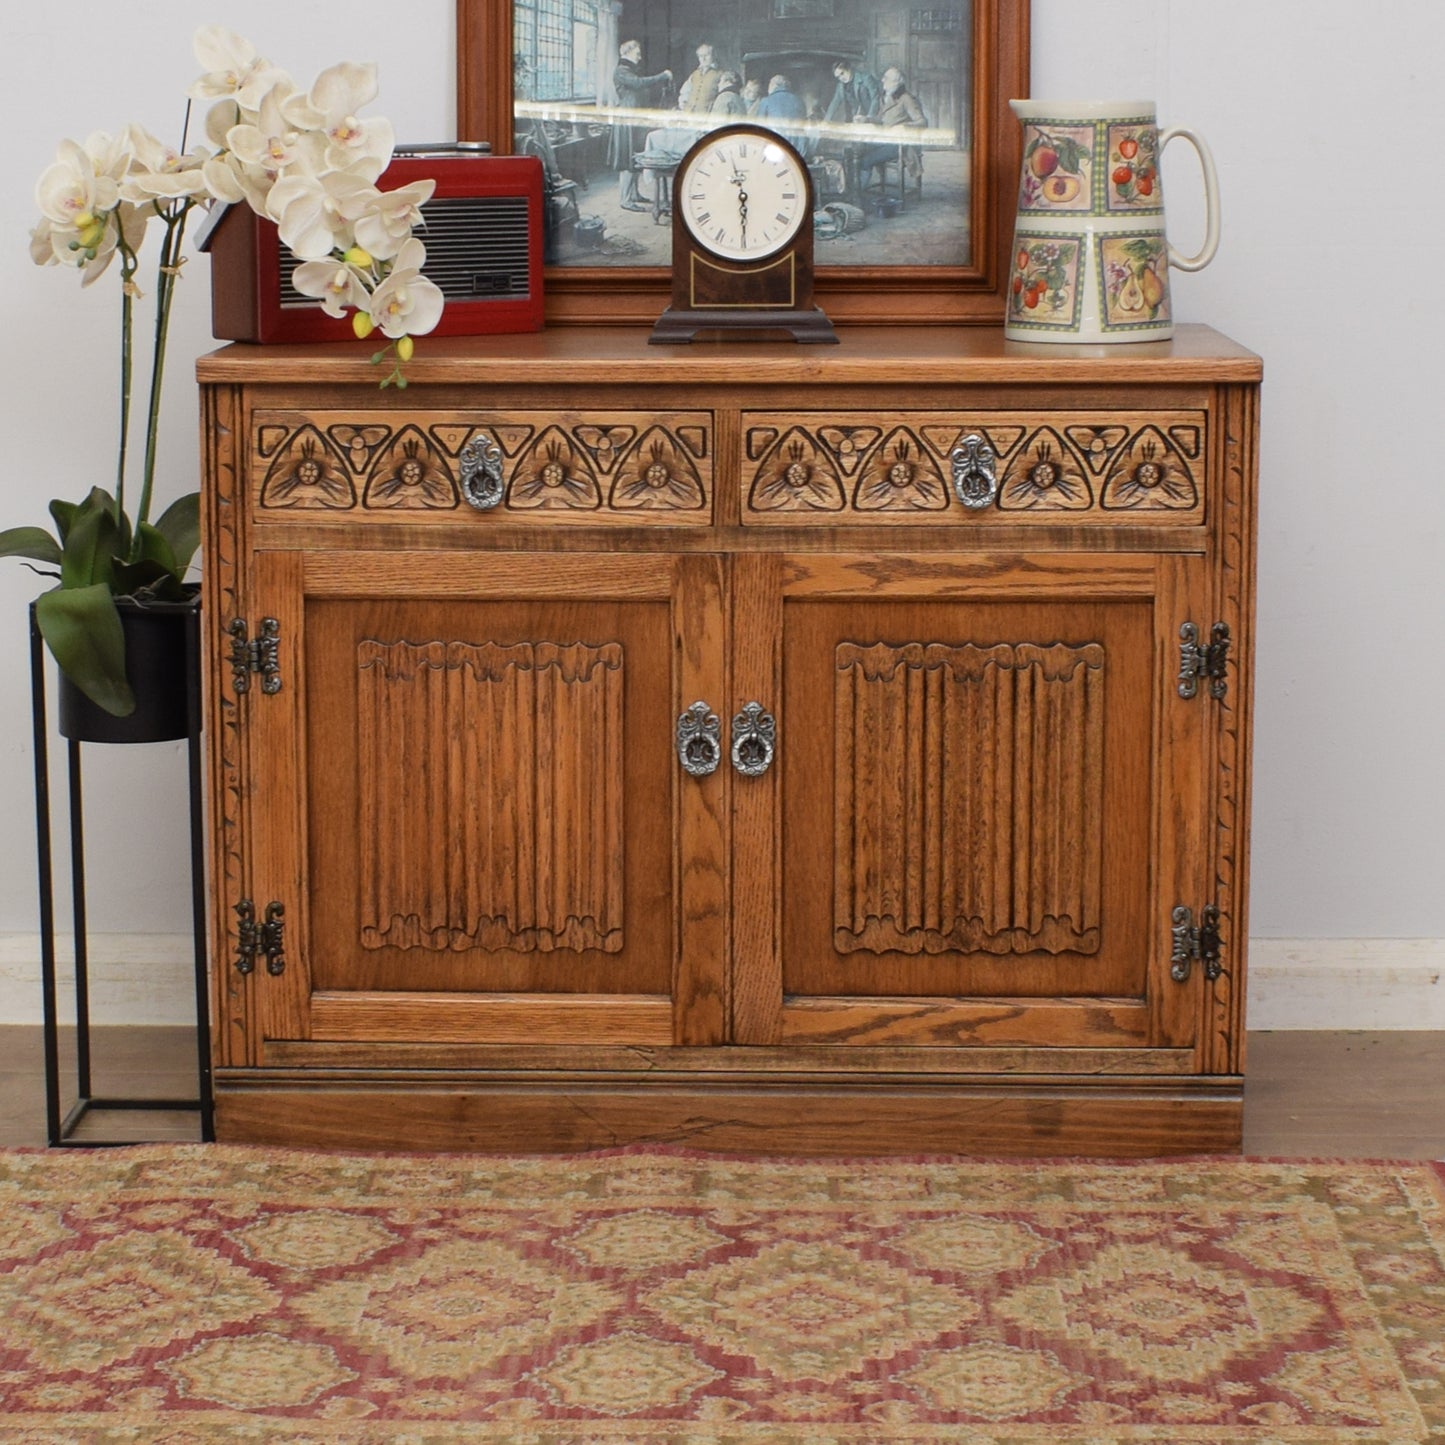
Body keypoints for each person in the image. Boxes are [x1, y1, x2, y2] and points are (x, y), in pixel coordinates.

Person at [606, 39, 672, 211]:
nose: (640, 57)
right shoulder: (621, 71)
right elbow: (639, 83)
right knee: (628, 159)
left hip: (633, 120)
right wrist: (662, 76)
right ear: (627, 53)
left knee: (635, 158)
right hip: (626, 120)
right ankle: (625, 199)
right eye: (637, 53)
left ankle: (634, 194)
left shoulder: (629, 70)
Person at [856, 66, 927, 192]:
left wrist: (905, 127)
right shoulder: (885, 97)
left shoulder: (906, 98)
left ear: (896, 82)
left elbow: (922, 122)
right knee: (860, 150)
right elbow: (882, 120)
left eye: (886, 78)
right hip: (885, 140)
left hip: (900, 145)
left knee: (866, 160)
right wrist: (866, 119)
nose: (882, 80)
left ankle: (858, 194)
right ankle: (858, 190)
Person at [824, 60, 881, 125]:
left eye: (842, 73)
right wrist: (826, 121)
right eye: (838, 77)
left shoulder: (866, 78)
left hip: (871, 116)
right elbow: (834, 103)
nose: (841, 78)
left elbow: (875, 98)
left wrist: (869, 118)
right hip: (855, 118)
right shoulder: (840, 86)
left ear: (848, 69)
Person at [678, 43, 722, 115]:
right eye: (701, 56)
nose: (703, 58)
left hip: (707, 115)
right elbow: (685, 91)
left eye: (707, 55)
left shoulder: (720, 74)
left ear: (714, 55)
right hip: (689, 114)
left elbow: (723, 96)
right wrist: (683, 103)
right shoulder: (695, 74)